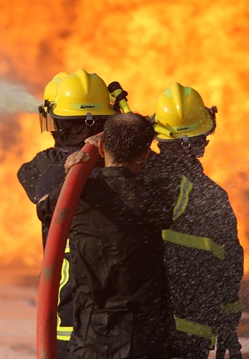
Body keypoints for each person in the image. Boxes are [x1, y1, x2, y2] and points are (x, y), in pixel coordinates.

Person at [37, 113, 177, 359]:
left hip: (92, 341)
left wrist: (71, 172)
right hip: (145, 343)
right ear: (145, 155)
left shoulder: (81, 195)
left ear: (102, 148)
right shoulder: (157, 197)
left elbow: (46, 210)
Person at [17, 69, 118, 358]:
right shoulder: (122, 168)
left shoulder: (46, 166)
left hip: (69, 325)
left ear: (57, 123)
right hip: (120, 326)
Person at [144, 83, 244, 359]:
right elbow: (229, 269)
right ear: (204, 139)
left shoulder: (133, 180)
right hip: (192, 331)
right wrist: (228, 325)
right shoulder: (213, 197)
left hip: (138, 328)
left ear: (157, 137)